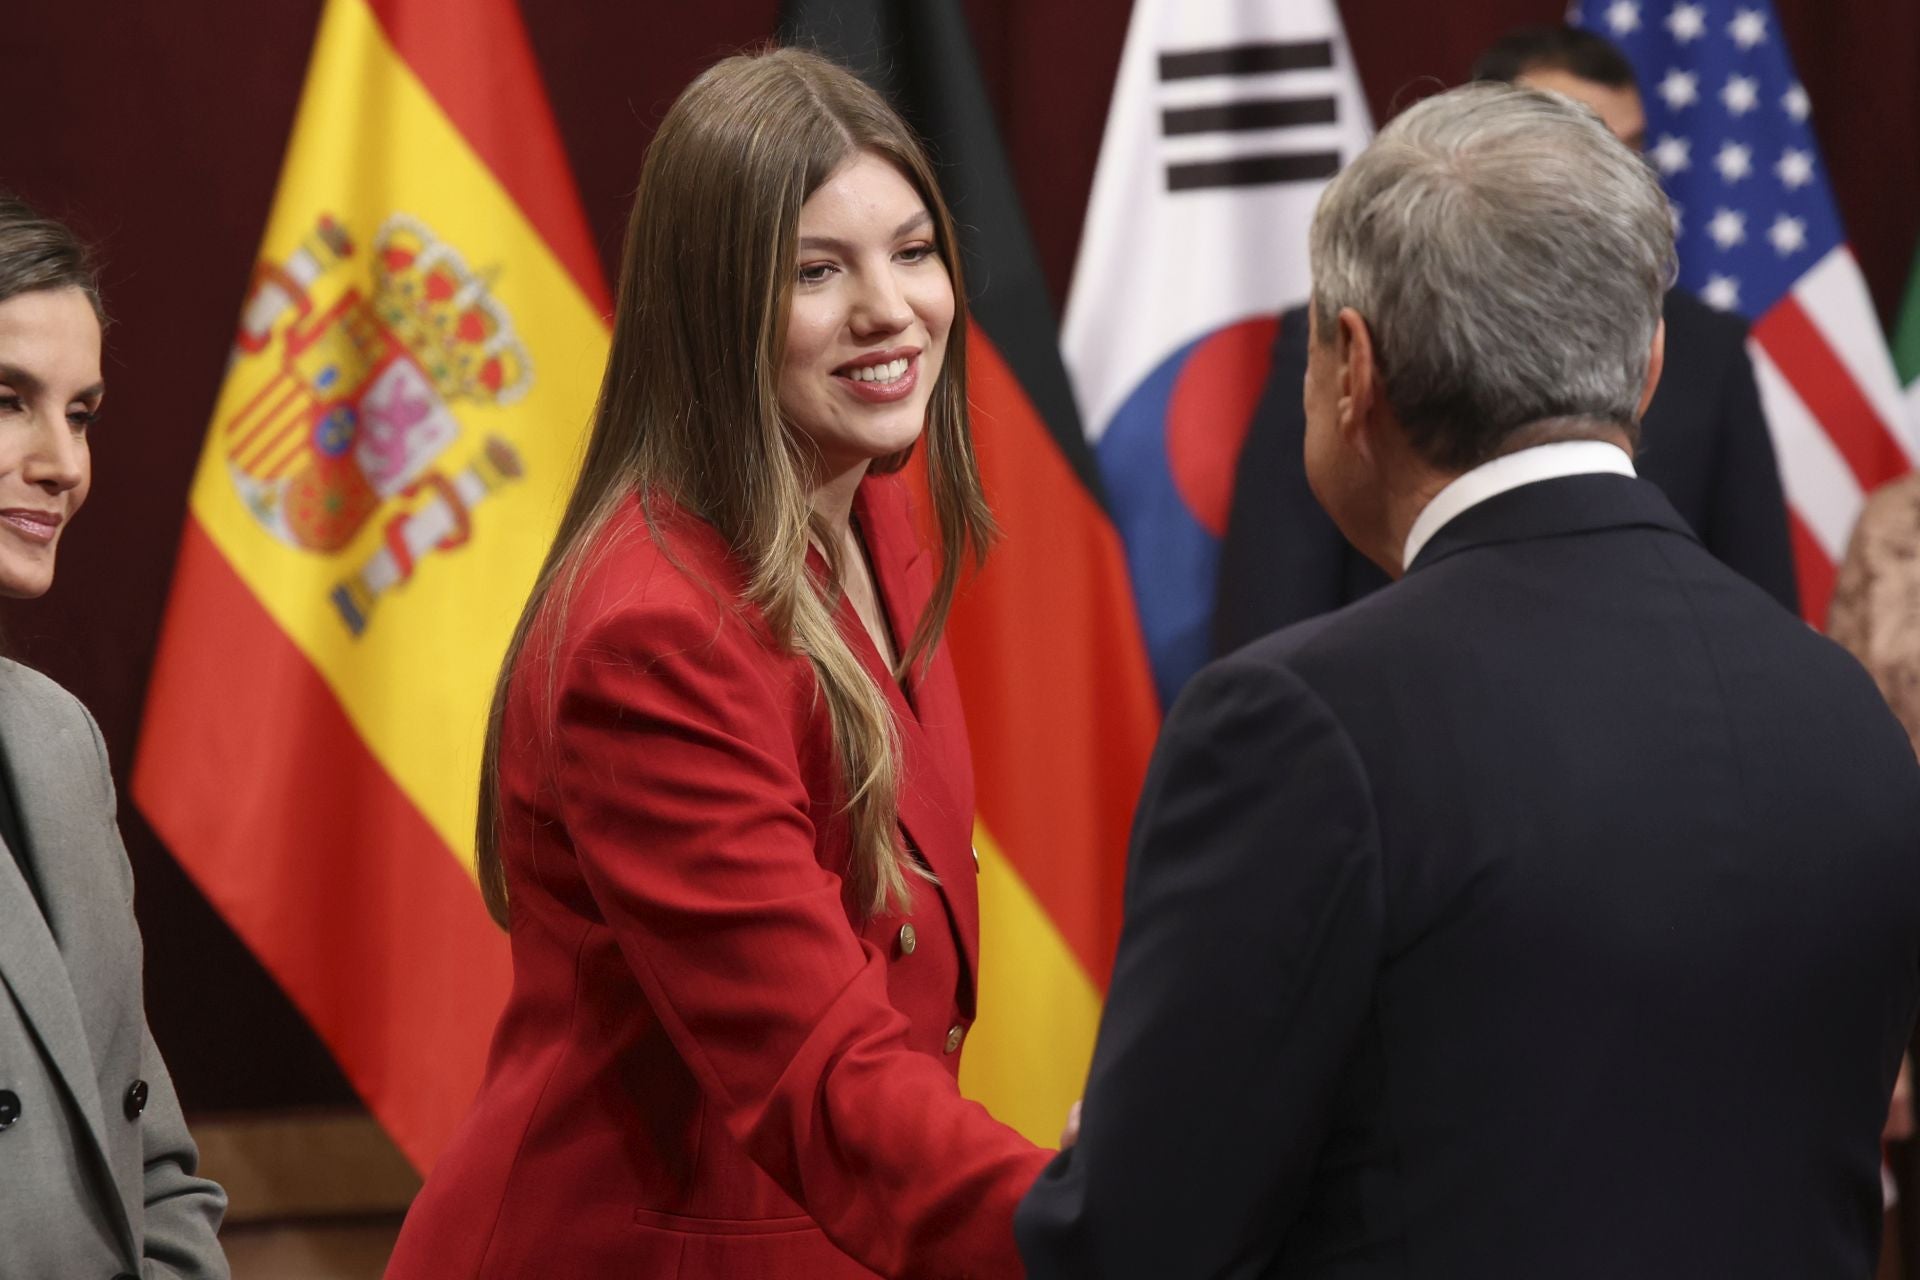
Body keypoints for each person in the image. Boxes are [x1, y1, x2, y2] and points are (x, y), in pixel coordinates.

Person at [1016, 84, 1920, 1278]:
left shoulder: (1297, 726)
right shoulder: (1843, 709)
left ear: (1353, 367)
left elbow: (1138, 1244)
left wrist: (1109, 1167)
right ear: (1647, 366)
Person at [384, 48, 1048, 1279]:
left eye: (912, 252)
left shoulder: (878, 516)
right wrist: (1075, 1220)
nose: (891, 309)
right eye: (816, 272)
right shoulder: (656, 636)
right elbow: (820, 1068)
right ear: (714, 305)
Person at [1213, 24, 1798, 656]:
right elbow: (1272, 606)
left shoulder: (1706, 350)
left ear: (1648, 360)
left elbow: (1757, 615)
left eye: (1632, 151)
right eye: (1577, 144)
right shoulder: (1340, 327)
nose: (1609, 178)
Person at [0, 195, 228, 1278]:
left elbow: (157, 1172)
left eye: (81, 413)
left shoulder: (58, 744)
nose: (62, 463)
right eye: (8, 401)